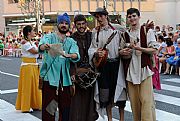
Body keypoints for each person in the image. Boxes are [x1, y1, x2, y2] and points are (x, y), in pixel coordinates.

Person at [39, 13, 80, 121]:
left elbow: (76, 55)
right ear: (57, 24)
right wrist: (45, 46)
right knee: (50, 111)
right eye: (61, 22)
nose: (64, 25)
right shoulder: (49, 37)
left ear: (69, 26)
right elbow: (41, 46)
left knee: (65, 109)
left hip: (65, 80)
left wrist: (69, 55)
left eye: (66, 23)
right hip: (50, 80)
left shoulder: (71, 41)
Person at [119, 8, 158, 121]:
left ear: (139, 17)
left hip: (144, 70)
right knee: (134, 103)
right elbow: (121, 51)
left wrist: (139, 48)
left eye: (134, 16)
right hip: (131, 72)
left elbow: (154, 50)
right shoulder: (125, 34)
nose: (132, 18)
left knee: (146, 101)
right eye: (129, 16)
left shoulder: (147, 31)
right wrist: (122, 52)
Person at [88, 7, 127, 121]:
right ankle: (110, 119)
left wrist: (123, 50)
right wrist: (96, 52)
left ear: (106, 16)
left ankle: (121, 119)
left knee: (120, 93)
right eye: (97, 16)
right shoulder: (95, 32)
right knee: (106, 93)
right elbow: (92, 48)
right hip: (103, 66)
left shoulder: (118, 28)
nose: (99, 18)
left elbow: (128, 39)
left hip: (116, 64)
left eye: (101, 16)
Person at [69, 14, 98, 121]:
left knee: (90, 103)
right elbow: (69, 58)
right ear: (75, 25)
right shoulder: (71, 39)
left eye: (83, 24)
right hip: (77, 74)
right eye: (78, 24)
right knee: (76, 103)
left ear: (86, 24)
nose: (81, 26)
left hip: (90, 73)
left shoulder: (92, 36)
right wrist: (72, 73)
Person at [15, 25, 42, 112]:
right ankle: (26, 106)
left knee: (35, 86)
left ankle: (35, 104)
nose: (34, 32)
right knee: (27, 87)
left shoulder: (31, 42)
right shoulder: (25, 43)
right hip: (27, 66)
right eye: (33, 31)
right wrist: (43, 48)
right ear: (29, 33)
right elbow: (34, 51)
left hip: (33, 66)